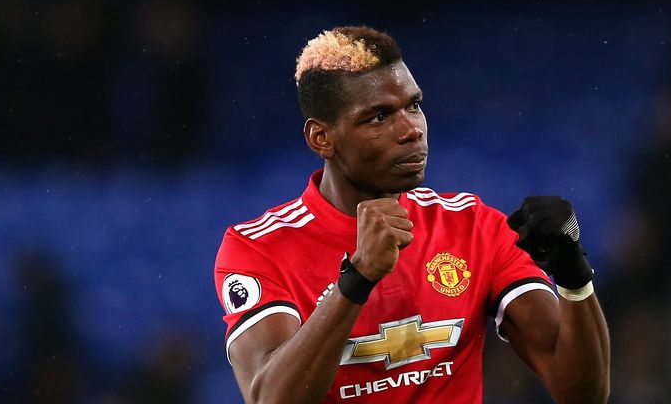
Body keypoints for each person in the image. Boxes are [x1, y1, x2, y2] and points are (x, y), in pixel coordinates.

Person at [214, 26, 610, 403]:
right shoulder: (258, 248)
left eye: (414, 106)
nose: (411, 130)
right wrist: (357, 279)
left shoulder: (473, 226)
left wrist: (573, 274)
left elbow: (582, 394)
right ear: (322, 138)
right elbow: (268, 398)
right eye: (379, 116)